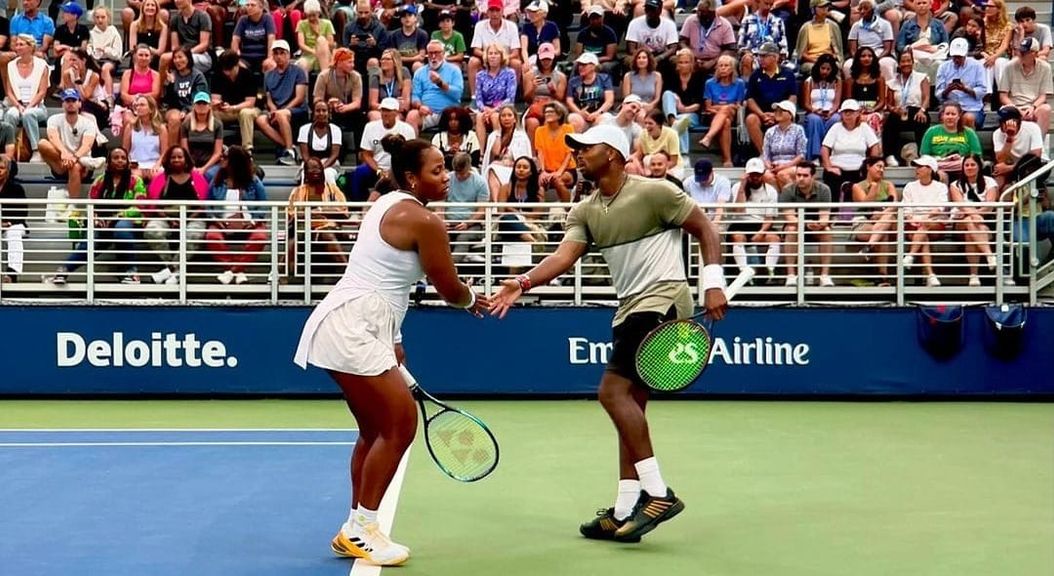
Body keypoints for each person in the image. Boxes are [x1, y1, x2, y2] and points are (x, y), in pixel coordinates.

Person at [489, 124, 728, 544]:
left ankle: (658, 493)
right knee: (628, 409)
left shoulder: (656, 192)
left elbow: (705, 228)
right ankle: (622, 511)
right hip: (629, 308)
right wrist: (522, 282)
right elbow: (564, 256)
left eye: (586, 148)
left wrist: (713, 282)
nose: (578, 154)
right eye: (576, 150)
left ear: (613, 154)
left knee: (611, 394)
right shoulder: (584, 210)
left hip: (663, 300)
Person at [294, 138, 489, 568]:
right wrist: (474, 300)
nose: (445, 176)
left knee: (374, 430)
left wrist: (394, 338)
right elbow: (448, 287)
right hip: (353, 328)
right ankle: (362, 529)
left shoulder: (384, 204)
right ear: (411, 178)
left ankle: (356, 526)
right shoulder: (424, 221)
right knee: (400, 425)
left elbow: (387, 277)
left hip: (354, 323)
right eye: (437, 171)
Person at [45, 147, 147, 286]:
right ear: (109, 162)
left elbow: (140, 206)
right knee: (92, 238)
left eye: (123, 158)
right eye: (116, 158)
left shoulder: (136, 181)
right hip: (103, 223)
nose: (120, 161)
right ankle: (63, 271)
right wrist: (96, 218)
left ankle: (131, 272)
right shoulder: (100, 181)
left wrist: (118, 216)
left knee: (121, 228)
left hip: (127, 221)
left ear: (128, 162)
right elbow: (90, 205)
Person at [145, 145, 209, 285]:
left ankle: (170, 270)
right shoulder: (160, 178)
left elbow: (203, 206)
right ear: (168, 160)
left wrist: (185, 219)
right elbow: (154, 204)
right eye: (173, 157)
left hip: (193, 217)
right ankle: (174, 269)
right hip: (165, 217)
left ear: (186, 160)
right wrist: (169, 218)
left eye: (180, 157)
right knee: (152, 231)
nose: (176, 160)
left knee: (194, 233)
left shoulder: (197, 178)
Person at [204, 145, 268, 285]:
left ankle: (232, 271)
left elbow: (263, 204)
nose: (221, 159)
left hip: (249, 222)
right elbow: (208, 204)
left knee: (260, 237)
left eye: (225, 157)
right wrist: (215, 220)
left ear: (234, 161)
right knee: (212, 236)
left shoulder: (254, 181)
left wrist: (253, 222)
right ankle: (237, 271)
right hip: (222, 223)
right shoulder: (217, 181)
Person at [286, 155, 350, 278]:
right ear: (305, 172)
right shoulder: (297, 191)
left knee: (327, 234)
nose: (315, 171)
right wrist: (317, 212)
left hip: (328, 227)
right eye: (311, 168)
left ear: (322, 170)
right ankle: (283, 274)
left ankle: (346, 271)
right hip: (304, 228)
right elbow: (292, 213)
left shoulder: (332, 189)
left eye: (317, 168)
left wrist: (318, 210)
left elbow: (343, 211)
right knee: (293, 242)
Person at [38, 89, 105, 199]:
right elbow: (52, 137)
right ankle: (83, 161)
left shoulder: (88, 122)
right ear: (63, 104)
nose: (70, 104)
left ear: (79, 103)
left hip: (81, 164)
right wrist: (64, 153)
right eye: (67, 101)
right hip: (60, 162)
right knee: (42, 143)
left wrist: (75, 157)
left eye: (73, 101)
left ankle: (72, 206)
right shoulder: (53, 119)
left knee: (74, 167)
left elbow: (87, 145)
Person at [349, 97, 416, 201]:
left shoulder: (407, 129)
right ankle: (357, 208)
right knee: (359, 172)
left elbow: (411, 155)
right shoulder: (370, 127)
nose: (385, 114)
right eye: (383, 110)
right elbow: (366, 154)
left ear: (396, 112)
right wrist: (379, 171)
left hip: (399, 170)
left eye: (389, 111)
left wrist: (393, 172)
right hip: (376, 169)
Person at [780, 161, 834, 287]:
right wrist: (805, 223)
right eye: (798, 175)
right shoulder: (787, 190)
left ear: (813, 177)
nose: (800, 179)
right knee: (791, 229)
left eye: (805, 176)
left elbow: (825, 218)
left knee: (827, 231)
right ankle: (791, 276)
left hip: (816, 228)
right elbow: (790, 218)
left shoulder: (824, 190)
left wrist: (819, 224)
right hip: (797, 226)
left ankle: (824, 276)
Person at [256, 39, 309, 166]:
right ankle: (291, 146)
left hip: (297, 109)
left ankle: (289, 152)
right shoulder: (268, 75)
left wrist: (281, 112)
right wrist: (274, 110)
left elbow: (300, 97)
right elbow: (269, 98)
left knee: (281, 115)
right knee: (260, 120)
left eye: (282, 53)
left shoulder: (298, 71)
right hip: (278, 110)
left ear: (288, 55)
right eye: (276, 53)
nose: (279, 56)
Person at [949, 153, 999, 287]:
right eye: (966, 165)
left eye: (972, 165)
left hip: (984, 224)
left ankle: (974, 275)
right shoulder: (955, 185)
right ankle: (989, 255)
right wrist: (974, 214)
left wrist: (975, 215)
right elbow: (961, 205)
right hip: (960, 223)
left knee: (971, 230)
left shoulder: (990, 182)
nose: (969, 168)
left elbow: (989, 206)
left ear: (979, 167)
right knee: (969, 221)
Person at [901, 155, 950, 287]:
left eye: (920, 166)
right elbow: (906, 209)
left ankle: (910, 255)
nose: (917, 169)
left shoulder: (940, 187)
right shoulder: (909, 186)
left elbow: (940, 208)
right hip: (914, 224)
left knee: (924, 226)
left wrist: (924, 218)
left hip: (935, 223)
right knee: (924, 236)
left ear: (930, 170)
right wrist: (912, 219)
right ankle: (930, 275)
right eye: (916, 166)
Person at [819, 99, 880, 202]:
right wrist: (828, 166)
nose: (847, 114)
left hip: (859, 170)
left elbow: (874, 146)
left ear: (857, 113)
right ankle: (834, 213)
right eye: (845, 112)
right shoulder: (836, 128)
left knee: (864, 180)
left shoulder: (864, 128)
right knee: (831, 177)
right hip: (838, 169)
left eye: (851, 112)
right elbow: (825, 148)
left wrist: (871, 164)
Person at [853, 156, 899, 286]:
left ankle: (869, 246)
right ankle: (883, 277)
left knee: (888, 217)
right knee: (882, 234)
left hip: (888, 220)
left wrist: (881, 214)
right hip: (865, 222)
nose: (882, 170)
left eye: (883, 167)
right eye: (879, 166)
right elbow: (865, 206)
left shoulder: (888, 185)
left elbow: (894, 206)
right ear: (868, 166)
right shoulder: (857, 186)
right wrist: (873, 188)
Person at [3, 34, 49, 162]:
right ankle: (8, 153)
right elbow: (9, 91)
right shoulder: (10, 65)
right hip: (16, 103)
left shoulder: (42, 65)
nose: (17, 47)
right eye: (16, 44)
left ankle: (36, 151)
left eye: (21, 44)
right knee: (11, 114)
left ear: (30, 47)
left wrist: (28, 107)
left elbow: (42, 92)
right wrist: (18, 106)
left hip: (37, 105)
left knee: (28, 114)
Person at [998, 38, 1053, 137]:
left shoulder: (1045, 68)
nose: (1021, 54)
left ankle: (1038, 144)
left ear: (1035, 53)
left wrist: (1033, 107)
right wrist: (1018, 110)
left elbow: (1043, 96)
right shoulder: (1009, 67)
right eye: (1020, 51)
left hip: (1034, 106)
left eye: (1025, 52)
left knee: (1046, 108)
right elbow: (1003, 96)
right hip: (1013, 105)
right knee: (1006, 110)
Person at [884, 50, 929, 166]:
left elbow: (926, 97)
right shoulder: (892, 82)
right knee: (890, 120)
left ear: (913, 62)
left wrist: (922, 110)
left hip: (916, 110)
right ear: (899, 64)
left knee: (923, 119)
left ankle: (922, 154)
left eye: (908, 61)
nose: (906, 64)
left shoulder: (922, 78)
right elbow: (888, 104)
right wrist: (894, 109)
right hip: (899, 113)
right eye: (903, 61)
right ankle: (890, 155)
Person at [407, 40, 463, 132]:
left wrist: (440, 83)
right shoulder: (419, 72)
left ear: (444, 53)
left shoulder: (454, 70)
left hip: (449, 113)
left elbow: (458, 94)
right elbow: (415, 96)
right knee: (412, 115)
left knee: (456, 116)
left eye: (436, 53)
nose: (433, 56)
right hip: (427, 113)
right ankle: (413, 146)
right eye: (430, 53)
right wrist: (420, 106)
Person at [211, 50, 260, 154]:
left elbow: (250, 102)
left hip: (246, 109)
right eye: (225, 70)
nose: (227, 73)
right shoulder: (218, 75)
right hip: (227, 110)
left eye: (230, 69)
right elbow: (215, 98)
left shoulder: (248, 75)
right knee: (212, 113)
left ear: (236, 65)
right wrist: (219, 104)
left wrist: (233, 107)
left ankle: (247, 149)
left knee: (245, 113)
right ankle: (217, 147)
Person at [993, 105, 1047, 189]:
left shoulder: (1032, 128)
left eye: (1003, 121)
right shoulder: (997, 133)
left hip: (1036, 166)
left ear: (1015, 121)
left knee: (1029, 172)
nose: (1000, 123)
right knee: (998, 177)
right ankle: (993, 199)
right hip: (1013, 166)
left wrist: (1011, 168)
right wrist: (1009, 138)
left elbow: (1035, 157)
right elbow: (1001, 160)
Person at [802, 53, 842, 163]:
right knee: (814, 120)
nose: (825, 71)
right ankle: (815, 156)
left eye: (828, 69)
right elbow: (806, 103)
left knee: (836, 119)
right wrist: (815, 110)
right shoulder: (809, 81)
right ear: (818, 67)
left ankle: (830, 154)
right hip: (814, 111)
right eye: (823, 68)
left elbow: (837, 103)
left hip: (831, 112)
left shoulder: (837, 81)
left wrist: (831, 111)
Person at [164, 46, 208, 143]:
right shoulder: (172, 75)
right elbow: (169, 101)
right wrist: (170, 84)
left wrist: (186, 110)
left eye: (180, 57)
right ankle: (172, 152)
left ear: (188, 58)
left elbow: (200, 99)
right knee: (174, 119)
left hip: (194, 108)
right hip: (174, 109)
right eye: (175, 58)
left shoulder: (198, 76)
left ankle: (185, 153)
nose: (177, 61)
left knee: (189, 118)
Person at [534, 101, 576, 202]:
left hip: (567, 169)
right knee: (537, 182)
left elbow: (569, 153)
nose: (547, 114)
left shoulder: (568, 128)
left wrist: (559, 172)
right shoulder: (539, 131)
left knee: (557, 180)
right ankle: (539, 213)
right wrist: (543, 172)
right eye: (546, 112)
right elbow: (540, 153)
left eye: (551, 112)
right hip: (547, 169)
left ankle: (567, 209)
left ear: (560, 114)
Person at [762, 100, 807, 189]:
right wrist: (769, 166)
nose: (777, 113)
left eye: (781, 110)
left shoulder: (798, 130)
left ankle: (791, 199)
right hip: (774, 166)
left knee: (782, 174)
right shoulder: (770, 131)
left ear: (790, 115)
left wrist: (785, 166)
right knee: (767, 176)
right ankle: (777, 201)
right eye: (776, 111)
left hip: (792, 165)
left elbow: (801, 155)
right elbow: (766, 155)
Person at [123, 94, 169, 182]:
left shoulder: (161, 128)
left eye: (142, 105)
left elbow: (164, 152)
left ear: (151, 109)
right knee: (135, 178)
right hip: (136, 164)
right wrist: (130, 164)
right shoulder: (130, 127)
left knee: (158, 176)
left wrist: (157, 165)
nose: (138, 107)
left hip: (155, 163)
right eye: (137, 105)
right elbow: (125, 150)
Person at [298, 99, 343, 184]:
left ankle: (331, 196)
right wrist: (312, 167)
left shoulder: (335, 130)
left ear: (329, 113)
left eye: (324, 110)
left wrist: (321, 168)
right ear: (313, 113)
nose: (321, 113)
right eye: (318, 111)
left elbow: (334, 155)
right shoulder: (304, 129)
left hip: (330, 165)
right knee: (306, 175)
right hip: (309, 164)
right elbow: (305, 155)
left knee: (327, 175)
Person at [181, 91, 223, 181]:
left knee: (208, 175)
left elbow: (218, 153)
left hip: (211, 164)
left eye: (204, 103)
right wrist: (192, 167)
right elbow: (185, 150)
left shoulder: (217, 125)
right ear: (194, 106)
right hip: (191, 163)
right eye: (198, 103)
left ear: (209, 106)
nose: (201, 106)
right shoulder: (186, 125)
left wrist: (204, 168)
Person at [0, 155, 26, 284]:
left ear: (7, 171)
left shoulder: (16, 188)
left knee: (14, 233)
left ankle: (11, 275)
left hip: (13, 225)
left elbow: (22, 213)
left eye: (2, 168)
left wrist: (7, 223)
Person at [230, 0, 276, 73]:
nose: (249, 7)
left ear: (261, 7)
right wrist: (236, 59)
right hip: (245, 58)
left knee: (272, 66)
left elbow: (271, 39)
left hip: (263, 57)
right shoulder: (243, 20)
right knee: (234, 67)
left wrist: (270, 58)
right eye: (247, 5)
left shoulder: (267, 19)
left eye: (252, 5)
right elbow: (235, 40)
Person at [295, 0, 333, 74]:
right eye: (309, 16)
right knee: (301, 64)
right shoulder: (302, 24)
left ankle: (324, 77)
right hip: (308, 55)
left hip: (324, 55)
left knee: (321, 39)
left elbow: (331, 43)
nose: (312, 18)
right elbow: (301, 44)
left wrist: (317, 34)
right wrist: (313, 51)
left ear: (319, 13)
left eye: (314, 15)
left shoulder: (327, 24)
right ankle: (304, 84)